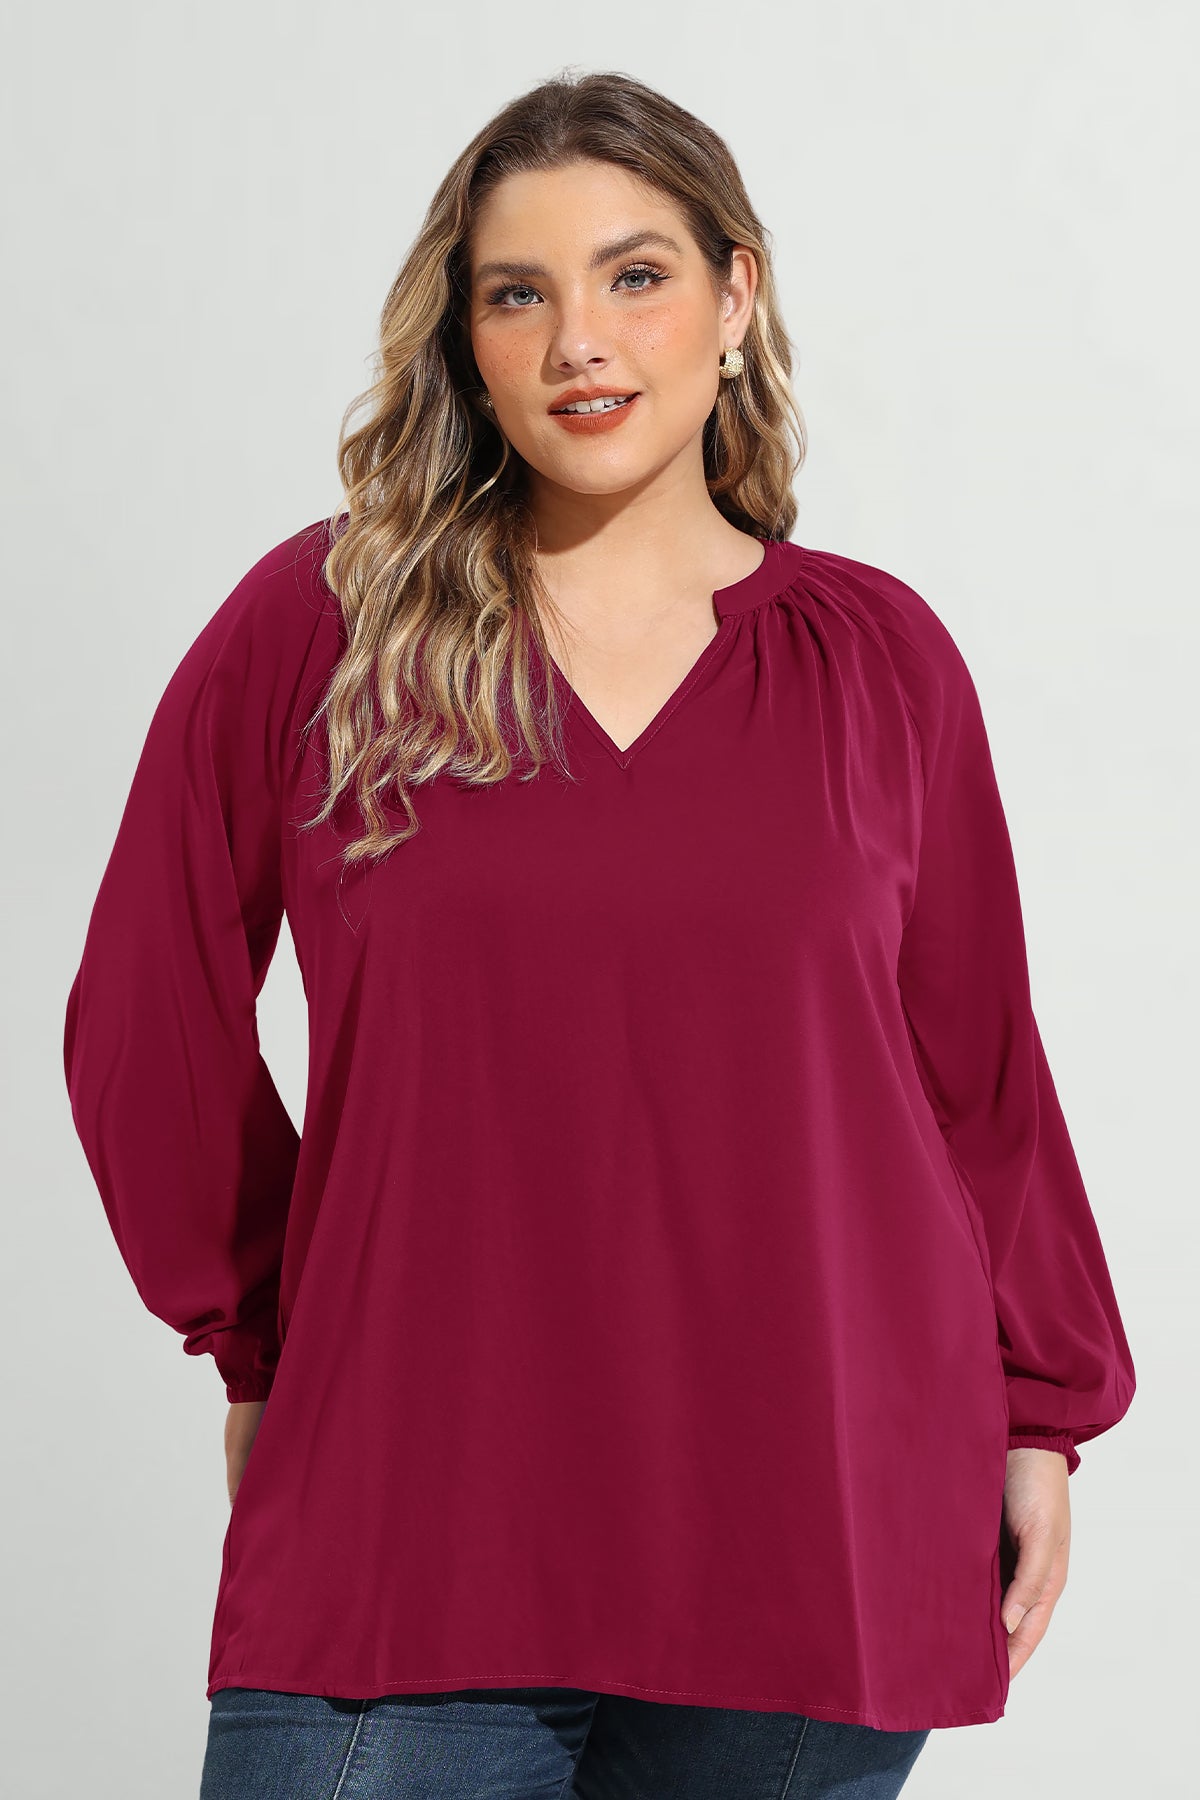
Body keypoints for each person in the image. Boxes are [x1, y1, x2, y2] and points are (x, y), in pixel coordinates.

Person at [62, 68, 1136, 1800]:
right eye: (519, 293)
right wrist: (264, 1329)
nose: (581, 340)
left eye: (636, 275)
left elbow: (979, 1085)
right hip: (409, 1530)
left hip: (818, 1535)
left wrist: (1038, 1411)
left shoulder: (878, 667)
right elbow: (145, 1014)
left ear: (736, 296)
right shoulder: (321, 632)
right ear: (466, 342)